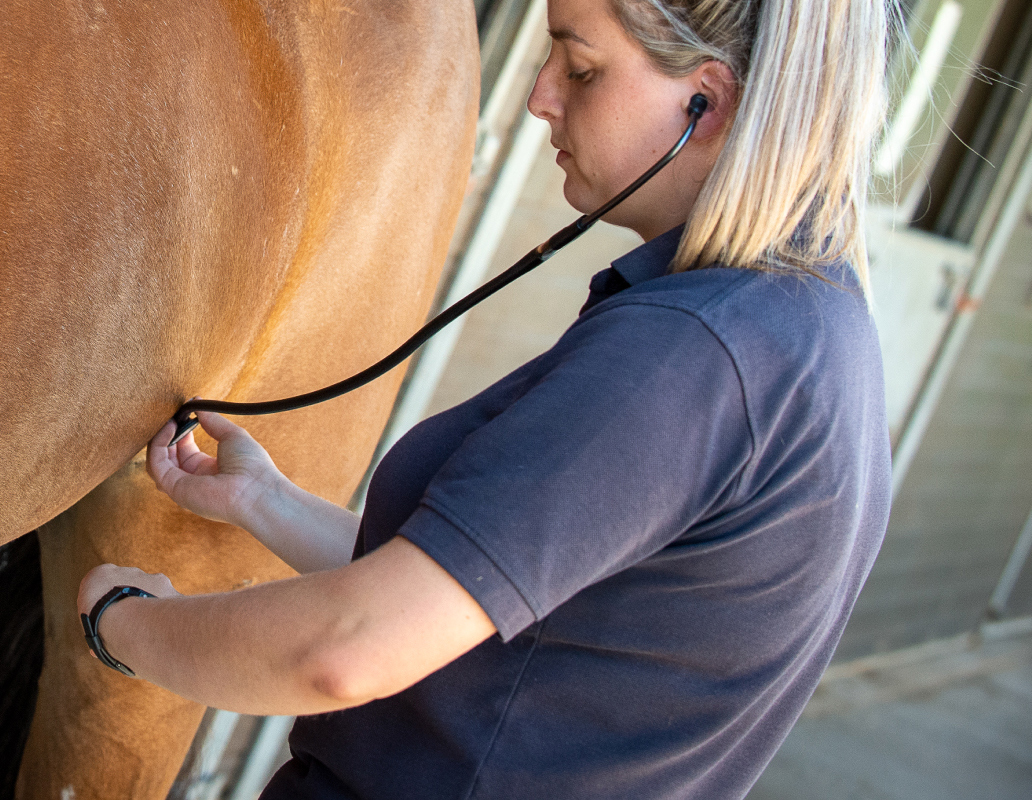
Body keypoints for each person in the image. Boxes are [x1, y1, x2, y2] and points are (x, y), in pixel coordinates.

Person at [73, 0, 898, 796]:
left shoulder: (696, 354)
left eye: (580, 68)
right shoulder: (810, 331)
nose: (540, 96)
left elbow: (347, 648)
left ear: (705, 105)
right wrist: (263, 501)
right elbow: (478, 603)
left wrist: (123, 623)